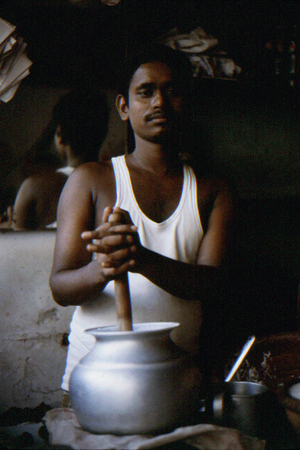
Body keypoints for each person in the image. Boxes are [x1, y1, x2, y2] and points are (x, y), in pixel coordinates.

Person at [50, 43, 236, 399]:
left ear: (188, 103)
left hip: (178, 379)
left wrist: (141, 258)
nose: (159, 103)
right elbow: (60, 288)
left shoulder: (214, 189)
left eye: (172, 91)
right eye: (145, 92)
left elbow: (213, 285)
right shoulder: (90, 180)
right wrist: (104, 267)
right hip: (95, 378)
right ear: (124, 106)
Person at [12, 88, 109, 230]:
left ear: (60, 134)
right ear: (103, 133)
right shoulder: (116, 181)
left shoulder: (33, 187)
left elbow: (17, 244)